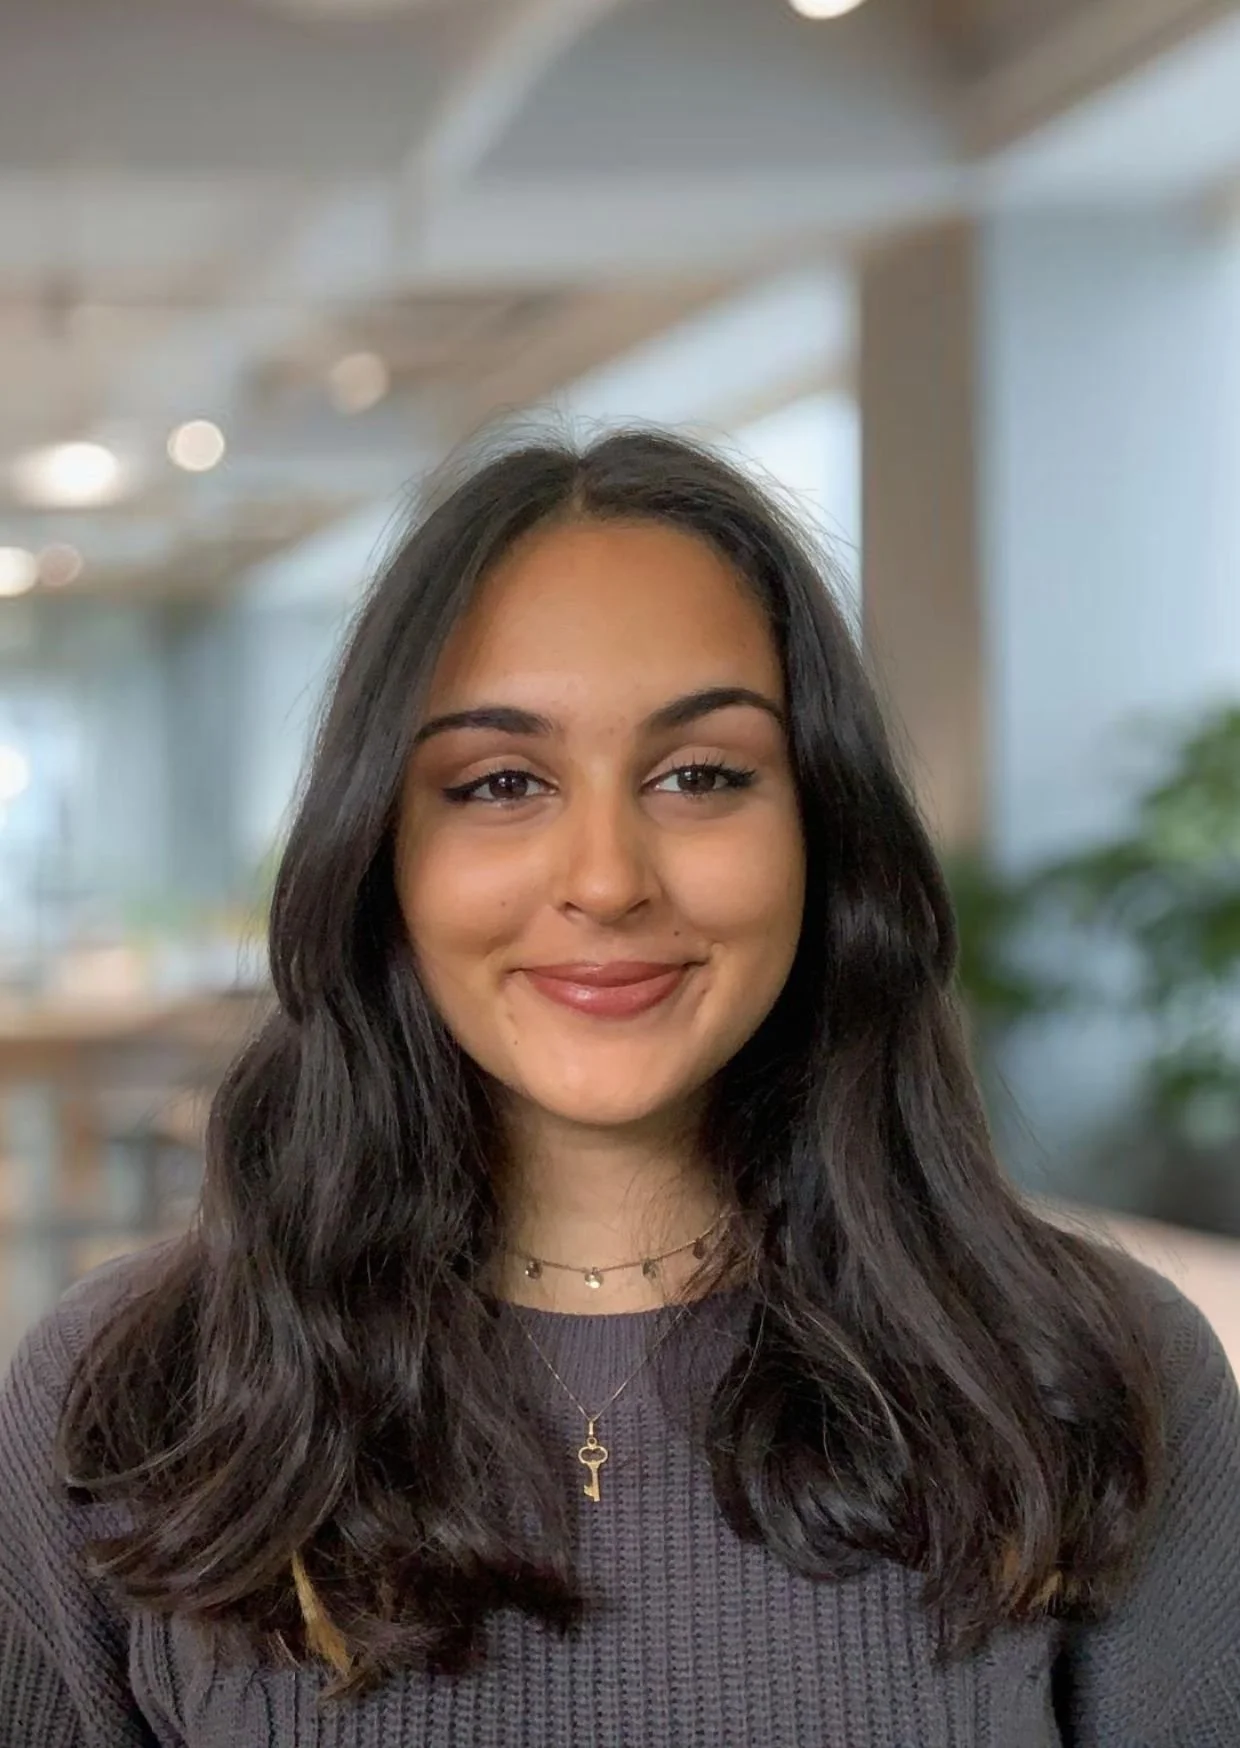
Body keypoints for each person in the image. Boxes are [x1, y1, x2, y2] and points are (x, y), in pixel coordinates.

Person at [1, 427, 1237, 1748]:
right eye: (500, 783)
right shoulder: (131, 1399)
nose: (605, 877)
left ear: (821, 830)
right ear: (382, 855)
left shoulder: (1089, 1376)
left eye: (701, 776)